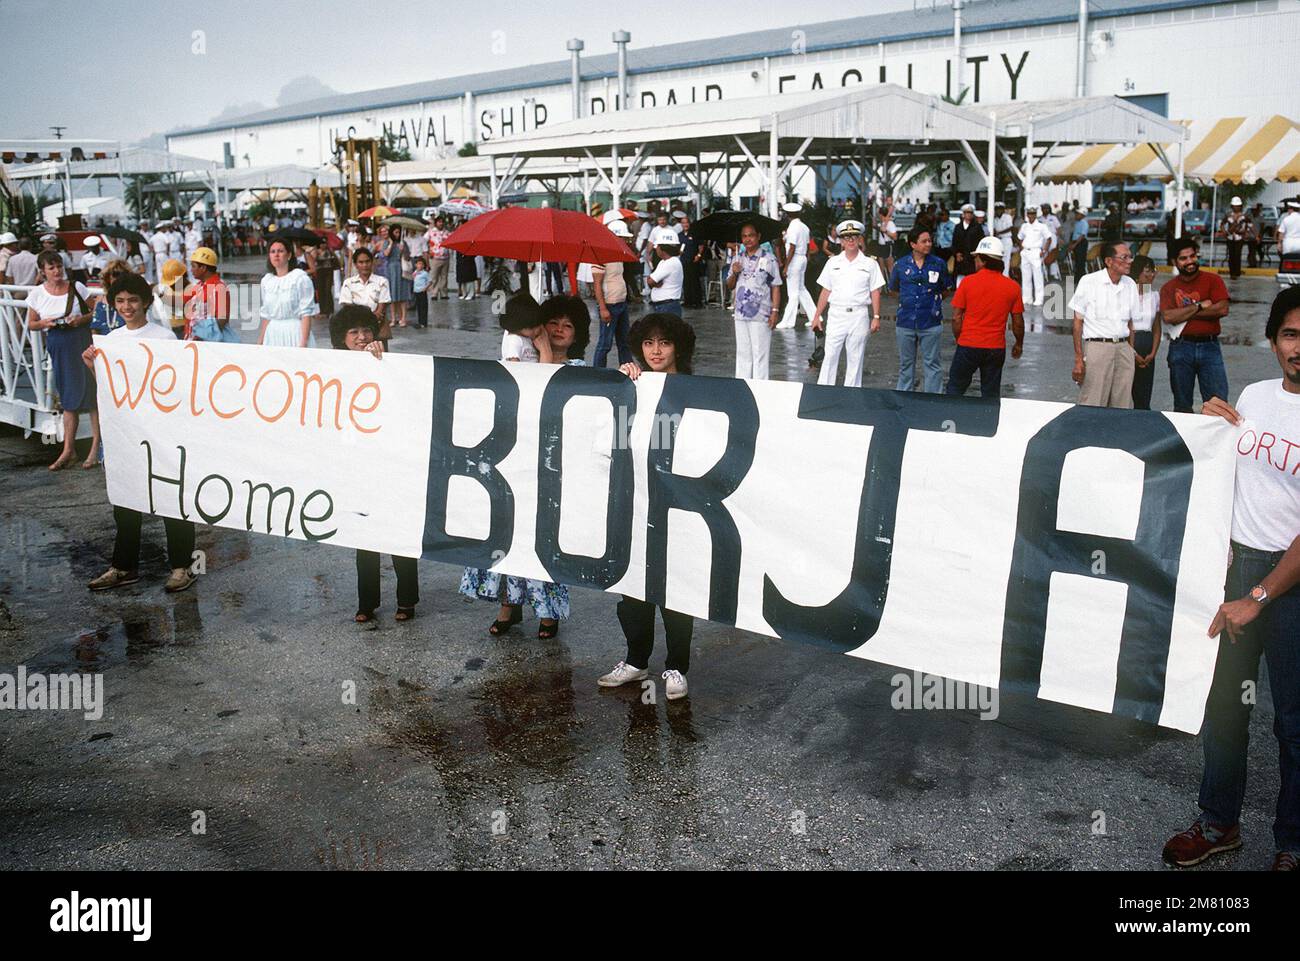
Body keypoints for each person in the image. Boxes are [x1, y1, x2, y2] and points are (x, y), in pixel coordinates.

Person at [1161, 285, 1300, 873]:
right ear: (1273, 342)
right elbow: (1226, 477)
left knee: (1293, 719)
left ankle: (1292, 843)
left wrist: (1259, 597)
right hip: (1238, 567)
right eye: (1291, 334)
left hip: (1287, 584)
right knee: (1226, 709)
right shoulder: (1257, 394)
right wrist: (1209, 427)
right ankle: (1219, 823)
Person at [598, 311, 698, 701]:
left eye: (665, 342)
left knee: (675, 588)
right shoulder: (633, 384)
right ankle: (637, 658)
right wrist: (621, 385)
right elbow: (615, 436)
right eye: (648, 343)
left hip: (677, 503)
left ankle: (676, 667)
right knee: (634, 585)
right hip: (635, 498)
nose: (656, 351)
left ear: (678, 347)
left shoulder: (694, 388)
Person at [80, 273, 197, 594]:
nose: (127, 306)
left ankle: (181, 566)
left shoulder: (163, 338)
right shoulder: (113, 339)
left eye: (133, 300)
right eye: (120, 301)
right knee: (125, 500)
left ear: (145, 302)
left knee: (171, 497)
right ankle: (123, 566)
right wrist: (92, 365)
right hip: (126, 433)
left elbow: (178, 385)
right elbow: (111, 387)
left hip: (161, 432)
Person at [459, 293, 567, 639]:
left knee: (543, 529)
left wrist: (545, 346)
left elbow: (547, 379)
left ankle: (547, 609)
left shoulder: (573, 362)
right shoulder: (513, 341)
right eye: (551, 325)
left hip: (548, 450)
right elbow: (521, 381)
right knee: (507, 523)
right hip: (512, 440)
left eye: (567, 327)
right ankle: (508, 602)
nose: (553, 330)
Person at [325, 305, 420, 623]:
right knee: (364, 534)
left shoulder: (385, 359)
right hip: (356, 461)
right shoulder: (332, 367)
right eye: (353, 332)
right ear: (341, 338)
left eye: (366, 330)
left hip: (390, 457)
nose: (362, 337)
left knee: (398, 528)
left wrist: (383, 354)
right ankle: (367, 602)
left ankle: (407, 599)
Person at [25, 250, 100, 469]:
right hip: (58, 343)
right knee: (68, 396)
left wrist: (80, 319)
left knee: (91, 394)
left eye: (59, 266)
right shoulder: (37, 293)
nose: (57, 271)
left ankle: (95, 447)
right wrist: (45, 323)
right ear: (43, 271)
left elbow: (96, 312)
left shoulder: (77, 287)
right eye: (51, 267)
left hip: (80, 340)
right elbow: (31, 323)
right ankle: (69, 449)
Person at [945, 236, 1023, 398]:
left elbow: (956, 318)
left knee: (955, 389)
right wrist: (1018, 344)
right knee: (990, 393)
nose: (975, 261)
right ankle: (988, 422)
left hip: (968, 344)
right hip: (995, 347)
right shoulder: (1013, 287)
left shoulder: (967, 282)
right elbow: (1017, 321)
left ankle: (950, 420)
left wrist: (960, 339)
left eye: (977, 258)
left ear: (984, 261)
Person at [1161, 237, 1231, 413]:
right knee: (1182, 405)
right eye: (1183, 258)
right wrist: (1200, 305)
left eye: (1192, 256)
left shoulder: (1213, 280)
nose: (1190, 261)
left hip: (1210, 346)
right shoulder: (1169, 288)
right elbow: (1168, 317)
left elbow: (1222, 309)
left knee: (1218, 404)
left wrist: (1183, 313)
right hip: (1180, 348)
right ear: (1174, 262)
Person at [811, 220, 884, 388]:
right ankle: (824, 393)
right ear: (841, 241)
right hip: (837, 314)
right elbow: (825, 291)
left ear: (860, 239)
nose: (850, 240)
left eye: (854, 237)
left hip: (859, 315)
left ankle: (852, 398)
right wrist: (817, 316)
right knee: (829, 356)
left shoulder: (870, 264)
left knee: (855, 358)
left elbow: (875, 291)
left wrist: (876, 316)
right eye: (846, 237)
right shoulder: (833, 263)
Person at [1069, 241, 1140, 409]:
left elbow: (1131, 323)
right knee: (1093, 402)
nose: (1129, 261)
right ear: (1109, 261)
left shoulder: (1130, 284)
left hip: (1123, 349)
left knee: (1123, 404)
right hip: (1097, 348)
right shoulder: (1089, 282)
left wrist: (1130, 350)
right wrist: (1079, 359)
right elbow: (1077, 323)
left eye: (1130, 257)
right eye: (1124, 257)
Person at [889, 227, 951, 393]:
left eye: (930, 241)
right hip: (905, 321)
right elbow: (893, 289)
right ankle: (904, 397)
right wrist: (908, 301)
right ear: (913, 244)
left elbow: (946, 290)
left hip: (930, 321)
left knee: (932, 363)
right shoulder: (900, 265)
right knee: (906, 364)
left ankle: (932, 399)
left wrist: (931, 303)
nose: (928, 244)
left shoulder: (938, 264)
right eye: (924, 241)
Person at [725, 221, 782, 380]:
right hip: (740, 314)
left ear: (758, 237)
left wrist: (775, 312)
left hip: (761, 314)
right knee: (743, 353)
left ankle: (760, 390)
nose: (747, 239)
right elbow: (729, 285)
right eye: (744, 236)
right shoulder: (737, 258)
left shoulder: (769, 259)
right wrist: (734, 273)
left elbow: (776, 286)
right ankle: (742, 387)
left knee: (760, 354)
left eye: (751, 235)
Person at [256, 239, 318, 348]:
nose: (276, 255)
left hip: (294, 333)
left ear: (289, 255)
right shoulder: (267, 281)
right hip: (273, 334)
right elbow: (267, 315)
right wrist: (260, 342)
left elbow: (306, 314)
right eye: (273, 251)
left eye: (280, 251)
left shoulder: (299, 278)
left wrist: (303, 343)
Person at [591, 219, 634, 369]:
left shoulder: (618, 254)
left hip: (621, 302)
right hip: (609, 304)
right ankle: (598, 372)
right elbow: (597, 284)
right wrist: (602, 308)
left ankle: (628, 369)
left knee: (625, 342)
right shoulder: (601, 255)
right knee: (605, 344)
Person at [338, 247, 392, 349]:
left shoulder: (382, 281)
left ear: (372, 262)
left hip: (377, 326)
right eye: (361, 262)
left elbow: (381, 307)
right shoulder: (348, 283)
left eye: (367, 261)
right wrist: (361, 322)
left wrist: (371, 320)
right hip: (355, 328)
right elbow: (348, 307)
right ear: (355, 264)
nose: (364, 265)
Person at [1129, 255, 1162, 410]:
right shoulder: (1127, 294)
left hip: (1147, 345)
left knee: (1144, 393)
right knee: (1126, 391)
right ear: (1137, 272)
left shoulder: (1154, 296)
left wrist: (1153, 352)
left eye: (1153, 271)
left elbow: (1156, 327)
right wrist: (1133, 352)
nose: (1151, 275)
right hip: (1130, 343)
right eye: (1147, 271)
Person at [184, 247, 236, 343]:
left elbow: (222, 319)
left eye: (193, 266)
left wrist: (202, 336)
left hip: (207, 343)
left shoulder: (219, 287)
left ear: (203, 268)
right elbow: (181, 300)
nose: (191, 270)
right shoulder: (199, 286)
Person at [776, 202, 815, 330]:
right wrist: (806, 258)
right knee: (801, 290)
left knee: (792, 293)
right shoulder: (804, 227)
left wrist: (786, 266)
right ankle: (815, 317)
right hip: (802, 257)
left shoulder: (793, 227)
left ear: (788, 215)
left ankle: (788, 321)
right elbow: (808, 246)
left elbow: (792, 248)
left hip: (794, 259)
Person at [1016, 206, 1055, 308]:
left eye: (1033, 214)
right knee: (1025, 277)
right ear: (1027, 215)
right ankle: (1027, 298)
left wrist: (1044, 250)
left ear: (1036, 214)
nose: (1031, 216)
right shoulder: (1024, 226)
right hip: (1026, 252)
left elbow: (1049, 238)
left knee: (1037, 277)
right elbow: (1019, 238)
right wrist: (1021, 248)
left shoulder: (1041, 226)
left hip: (1036, 252)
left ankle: (1039, 299)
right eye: (1029, 214)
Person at [646, 226, 684, 316]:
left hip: (667, 307)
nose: (656, 249)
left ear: (663, 248)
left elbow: (650, 282)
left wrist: (654, 282)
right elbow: (650, 280)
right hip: (664, 306)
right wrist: (655, 282)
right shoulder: (664, 262)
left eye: (658, 246)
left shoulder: (670, 263)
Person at [951, 203, 984, 289]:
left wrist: (977, 255)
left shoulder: (977, 227)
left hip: (972, 257)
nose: (968, 215)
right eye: (966, 213)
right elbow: (954, 242)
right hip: (961, 257)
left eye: (970, 213)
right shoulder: (958, 227)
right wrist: (956, 253)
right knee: (960, 278)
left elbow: (981, 241)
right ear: (963, 214)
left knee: (972, 277)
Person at [1221, 197, 1251, 280]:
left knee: (1237, 255)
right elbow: (1222, 224)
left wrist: (1247, 232)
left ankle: (1237, 272)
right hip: (1230, 237)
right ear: (1232, 206)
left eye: (1238, 206)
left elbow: (1249, 225)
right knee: (1231, 256)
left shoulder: (1244, 216)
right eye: (1234, 206)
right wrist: (1224, 232)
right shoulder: (1228, 215)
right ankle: (1232, 273)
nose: (1236, 207)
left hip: (1239, 237)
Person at [424, 216, 451, 299]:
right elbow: (423, 241)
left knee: (444, 277)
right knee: (434, 277)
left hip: (445, 258)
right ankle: (434, 293)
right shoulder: (430, 232)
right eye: (439, 222)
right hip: (434, 258)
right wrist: (428, 251)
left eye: (442, 222)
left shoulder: (447, 232)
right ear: (436, 223)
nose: (441, 223)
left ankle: (444, 293)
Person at [991, 202, 1014, 277]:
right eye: (997, 209)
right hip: (998, 240)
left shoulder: (1007, 217)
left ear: (1003, 210)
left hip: (1006, 239)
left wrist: (1000, 232)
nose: (998, 211)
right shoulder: (995, 219)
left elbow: (1010, 228)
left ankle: (1005, 275)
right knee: (998, 258)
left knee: (1006, 258)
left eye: (1000, 209)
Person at [1277, 199, 1300, 266]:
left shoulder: (1286, 219)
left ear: (1291, 209)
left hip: (1288, 244)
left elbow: (1281, 233)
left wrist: (1279, 244)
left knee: (1285, 261)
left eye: (1288, 209)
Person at [411, 256, 430, 328]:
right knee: (418, 307)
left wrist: (425, 288)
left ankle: (424, 322)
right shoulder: (415, 272)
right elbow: (413, 278)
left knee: (423, 307)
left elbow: (430, 281)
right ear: (416, 265)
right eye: (418, 264)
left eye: (421, 264)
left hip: (422, 291)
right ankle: (420, 322)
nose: (420, 265)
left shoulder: (425, 273)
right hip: (416, 291)